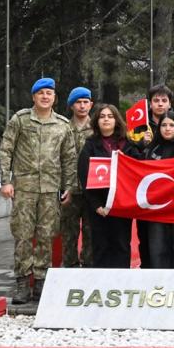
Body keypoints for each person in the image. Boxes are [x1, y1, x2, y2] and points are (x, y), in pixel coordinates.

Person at [0, 78, 79, 304]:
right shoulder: (21, 120)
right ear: (34, 97)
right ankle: (23, 283)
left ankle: (42, 282)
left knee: (46, 235)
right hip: (24, 189)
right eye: (41, 93)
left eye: (49, 93)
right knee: (23, 235)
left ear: (55, 98)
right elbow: (6, 150)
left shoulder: (62, 125)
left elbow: (69, 158)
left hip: (50, 189)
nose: (45, 97)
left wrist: (69, 187)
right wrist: (6, 181)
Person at [78, 103, 133, 269]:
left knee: (122, 245)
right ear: (96, 121)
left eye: (110, 116)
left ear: (116, 120)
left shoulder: (128, 144)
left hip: (122, 206)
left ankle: (122, 284)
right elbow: (84, 176)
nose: (106, 120)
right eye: (102, 117)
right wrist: (97, 205)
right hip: (99, 208)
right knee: (101, 247)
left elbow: (138, 169)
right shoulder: (90, 145)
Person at [135, 112, 174, 269]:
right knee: (157, 250)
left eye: (172, 125)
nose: (167, 129)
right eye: (164, 125)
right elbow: (139, 172)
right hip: (157, 210)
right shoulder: (150, 150)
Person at [59, 86, 95, 267]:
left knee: (91, 233)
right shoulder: (62, 128)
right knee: (68, 234)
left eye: (85, 102)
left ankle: (88, 269)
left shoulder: (97, 128)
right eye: (78, 103)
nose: (82, 106)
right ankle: (69, 269)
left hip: (91, 190)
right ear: (71, 106)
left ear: (91, 104)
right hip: (69, 190)